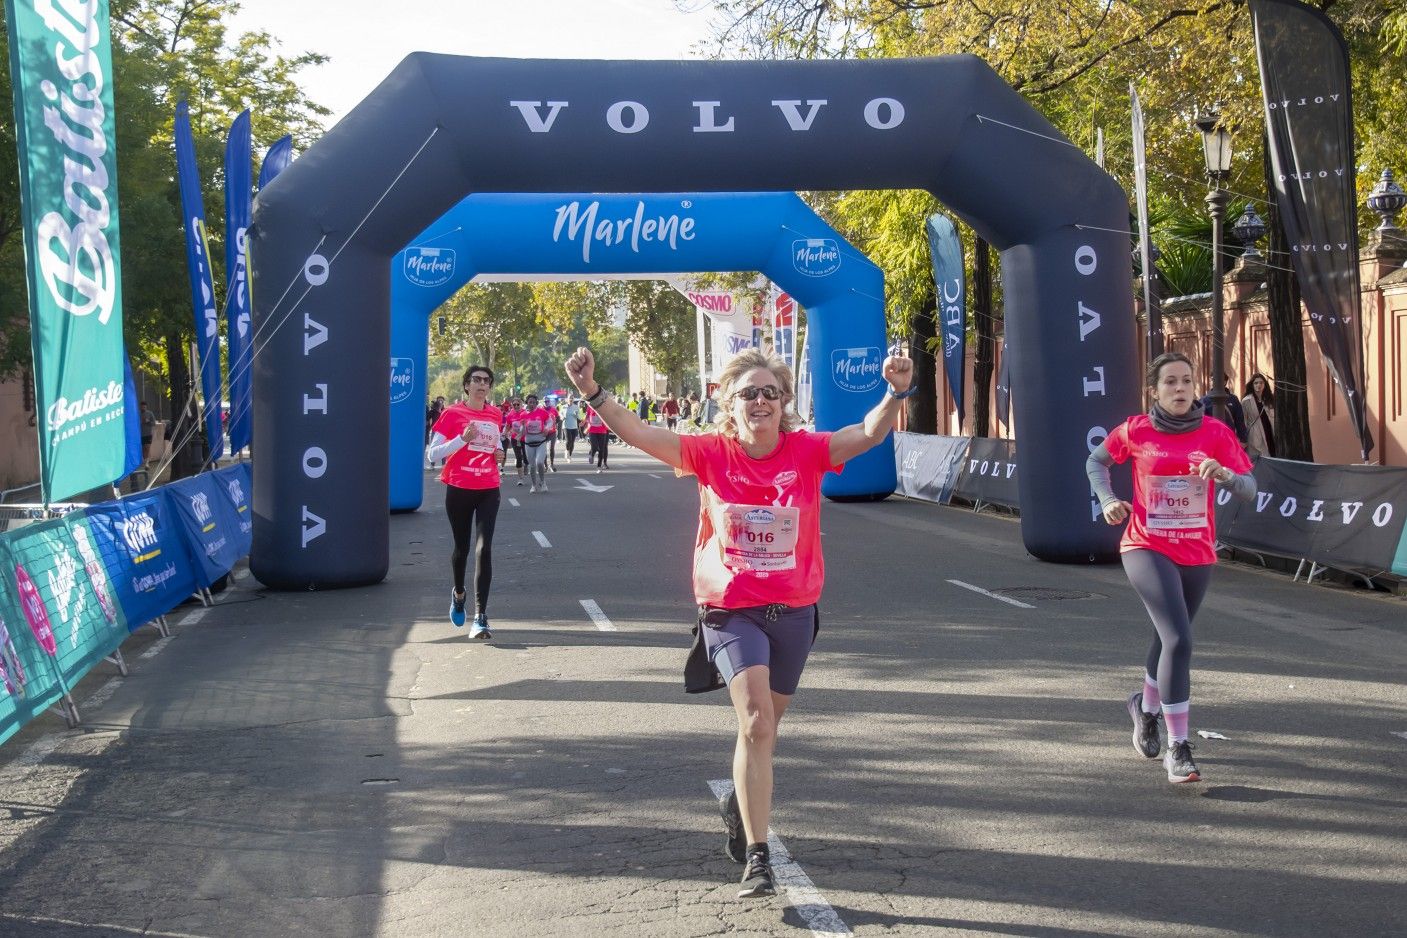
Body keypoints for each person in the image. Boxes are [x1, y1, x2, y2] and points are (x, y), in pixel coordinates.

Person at [565, 344, 914, 899]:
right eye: (748, 393)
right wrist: (592, 392)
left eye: (769, 393)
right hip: (731, 609)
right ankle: (759, 856)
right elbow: (640, 434)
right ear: (730, 402)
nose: (759, 401)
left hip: (795, 610)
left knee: (766, 732)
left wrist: (895, 393)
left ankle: (739, 797)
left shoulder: (807, 451)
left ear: (784, 403)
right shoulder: (710, 453)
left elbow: (868, 433)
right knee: (754, 722)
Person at [1086, 351, 1256, 784]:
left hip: (1197, 552)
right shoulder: (1137, 430)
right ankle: (1179, 749)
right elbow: (1096, 462)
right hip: (1145, 545)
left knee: (1167, 641)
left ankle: (1143, 710)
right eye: (1170, 382)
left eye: (1186, 380)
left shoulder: (1216, 434)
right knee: (1180, 638)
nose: (1180, 389)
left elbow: (1249, 490)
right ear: (1155, 390)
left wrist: (1226, 477)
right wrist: (1108, 501)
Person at [426, 366, 505, 641]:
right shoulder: (452, 414)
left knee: (484, 549)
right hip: (459, 487)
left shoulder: (496, 414)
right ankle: (459, 594)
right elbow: (432, 455)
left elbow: (496, 444)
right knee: (461, 549)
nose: (482, 384)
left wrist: (499, 454)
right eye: (477, 380)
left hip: (488, 487)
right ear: (467, 386)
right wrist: (462, 439)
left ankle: (481, 617)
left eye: (487, 381)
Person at [521, 393, 555, 493]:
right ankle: (534, 485)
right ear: (527, 403)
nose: (531, 404)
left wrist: (547, 428)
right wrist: (522, 428)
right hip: (529, 443)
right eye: (530, 402)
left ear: (536, 403)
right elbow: (522, 430)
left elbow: (550, 422)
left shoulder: (542, 412)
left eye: (534, 402)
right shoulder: (523, 414)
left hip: (540, 442)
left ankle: (543, 482)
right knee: (532, 466)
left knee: (540, 462)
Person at [1199, 379, 1247, 446]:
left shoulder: (1233, 399)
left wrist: (1243, 439)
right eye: (1212, 379)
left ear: (1225, 382)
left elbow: (1239, 420)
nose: (1214, 381)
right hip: (1211, 440)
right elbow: (1201, 423)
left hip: (1230, 438)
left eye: (1215, 379)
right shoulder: (1204, 400)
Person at [1242, 373, 1276, 458]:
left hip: (1269, 432)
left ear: (1265, 384)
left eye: (1261, 383)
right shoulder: (1246, 401)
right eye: (1256, 383)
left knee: (1271, 455)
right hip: (1255, 434)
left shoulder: (1270, 399)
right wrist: (1243, 439)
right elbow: (1244, 421)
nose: (1259, 385)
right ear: (1252, 385)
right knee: (1258, 459)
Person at [584, 399, 610, 471]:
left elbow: (608, 417)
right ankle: (591, 455)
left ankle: (599, 466)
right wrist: (585, 423)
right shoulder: (590, 406)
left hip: (602, 430)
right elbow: (587, 416)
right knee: (594, 446)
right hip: (592, 429)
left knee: (602, 449)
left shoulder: (604, 407)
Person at [561, 397, 580, 463]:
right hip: (566, 426)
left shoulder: (576, 407)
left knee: (572, 442)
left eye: (572, 398)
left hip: (574, 427)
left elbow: (579, 417)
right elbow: (561, 414)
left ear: (573, 399)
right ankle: (567, 451)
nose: (571, 399)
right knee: (568, 440)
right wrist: (562, 417)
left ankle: (570, 456)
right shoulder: (564, 407)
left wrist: (576, 415)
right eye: (569, 398)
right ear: (567, 399)